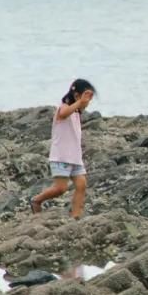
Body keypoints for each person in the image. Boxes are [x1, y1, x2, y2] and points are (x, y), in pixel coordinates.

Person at [31, 79, 96, 218]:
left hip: (75, 157)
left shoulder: (77, 113)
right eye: (85, 98)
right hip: (61, 156)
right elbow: (63, 114)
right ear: (77, 95)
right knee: (61, 188)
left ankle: (76, 215)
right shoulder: (64, 107)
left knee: (81, 184)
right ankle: (36, 200)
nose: (87, 102)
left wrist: (80, 105)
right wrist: (79, 103)